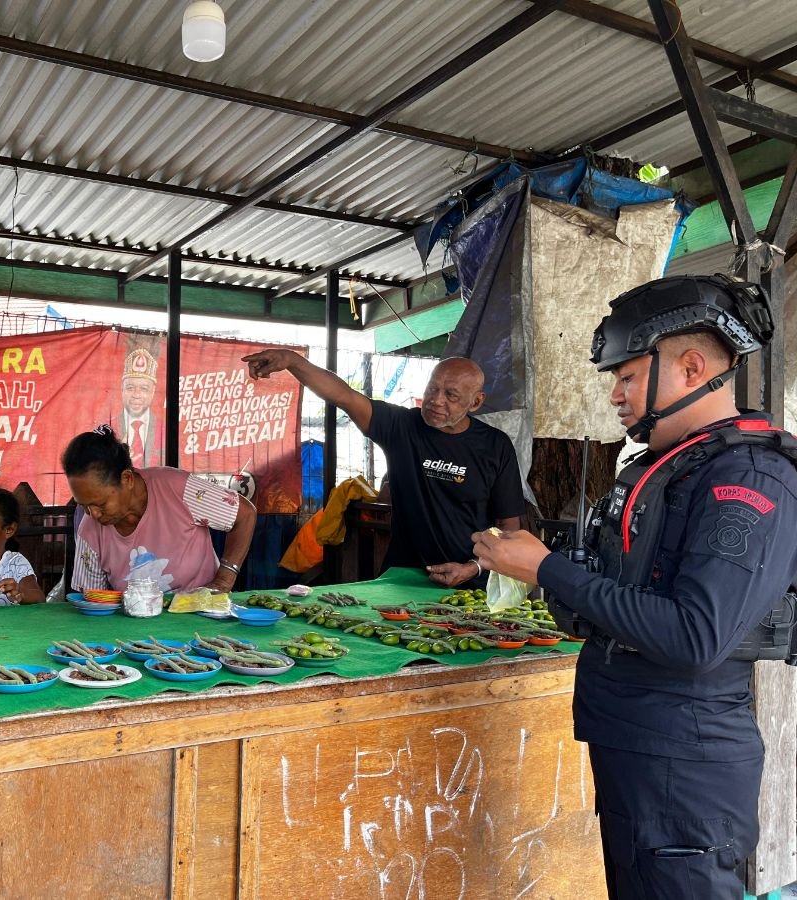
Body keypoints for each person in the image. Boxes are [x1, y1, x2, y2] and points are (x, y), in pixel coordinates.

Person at [472, 274, 797, 899]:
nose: (615, 395)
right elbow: (625, 596)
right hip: (640, 749)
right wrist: (549, 571)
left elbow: (695, 637)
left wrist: (547, 570)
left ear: (691, 367)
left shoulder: (749, 477)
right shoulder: (667, 467)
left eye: (626, 376)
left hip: (683, 769)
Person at [243, 350, 523, 587]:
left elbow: (508, 528)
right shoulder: (401, 427)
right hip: (403, 579)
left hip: (471, 585)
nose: (437, 400)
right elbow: (344, 396)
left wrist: (473, 567)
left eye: (451, 395)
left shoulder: (495, 446)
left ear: (476, 402)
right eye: (432, 389)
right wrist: (293, 361)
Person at [63, 426, 256, 593]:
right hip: (135, 621)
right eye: (84, 506)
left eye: (101, 504)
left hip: (200, 614)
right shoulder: (89, 530)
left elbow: (244, 514)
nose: (93, 514)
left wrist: (223, 580)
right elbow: (93, 599)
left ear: (127, 479)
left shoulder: (176, 487)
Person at [117, 347, 162, 468]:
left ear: (153, 391)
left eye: (144, 389)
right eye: (130, 388)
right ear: (122, 389)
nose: (136, 395)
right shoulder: (108, 428)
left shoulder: (165, 430)